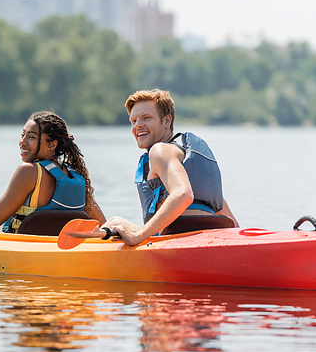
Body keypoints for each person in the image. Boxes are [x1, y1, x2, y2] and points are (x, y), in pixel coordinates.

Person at [102, 89, 238, 245]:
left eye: (146, 118)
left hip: (175, 242)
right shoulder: (186, 158)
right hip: (206, 240)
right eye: (133, 121)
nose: (138, 126)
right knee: (116, 221)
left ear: (167, 121)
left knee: (113, 223)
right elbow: (232, 223)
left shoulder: (159, 150)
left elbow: (184, 195)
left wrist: (137, 237)